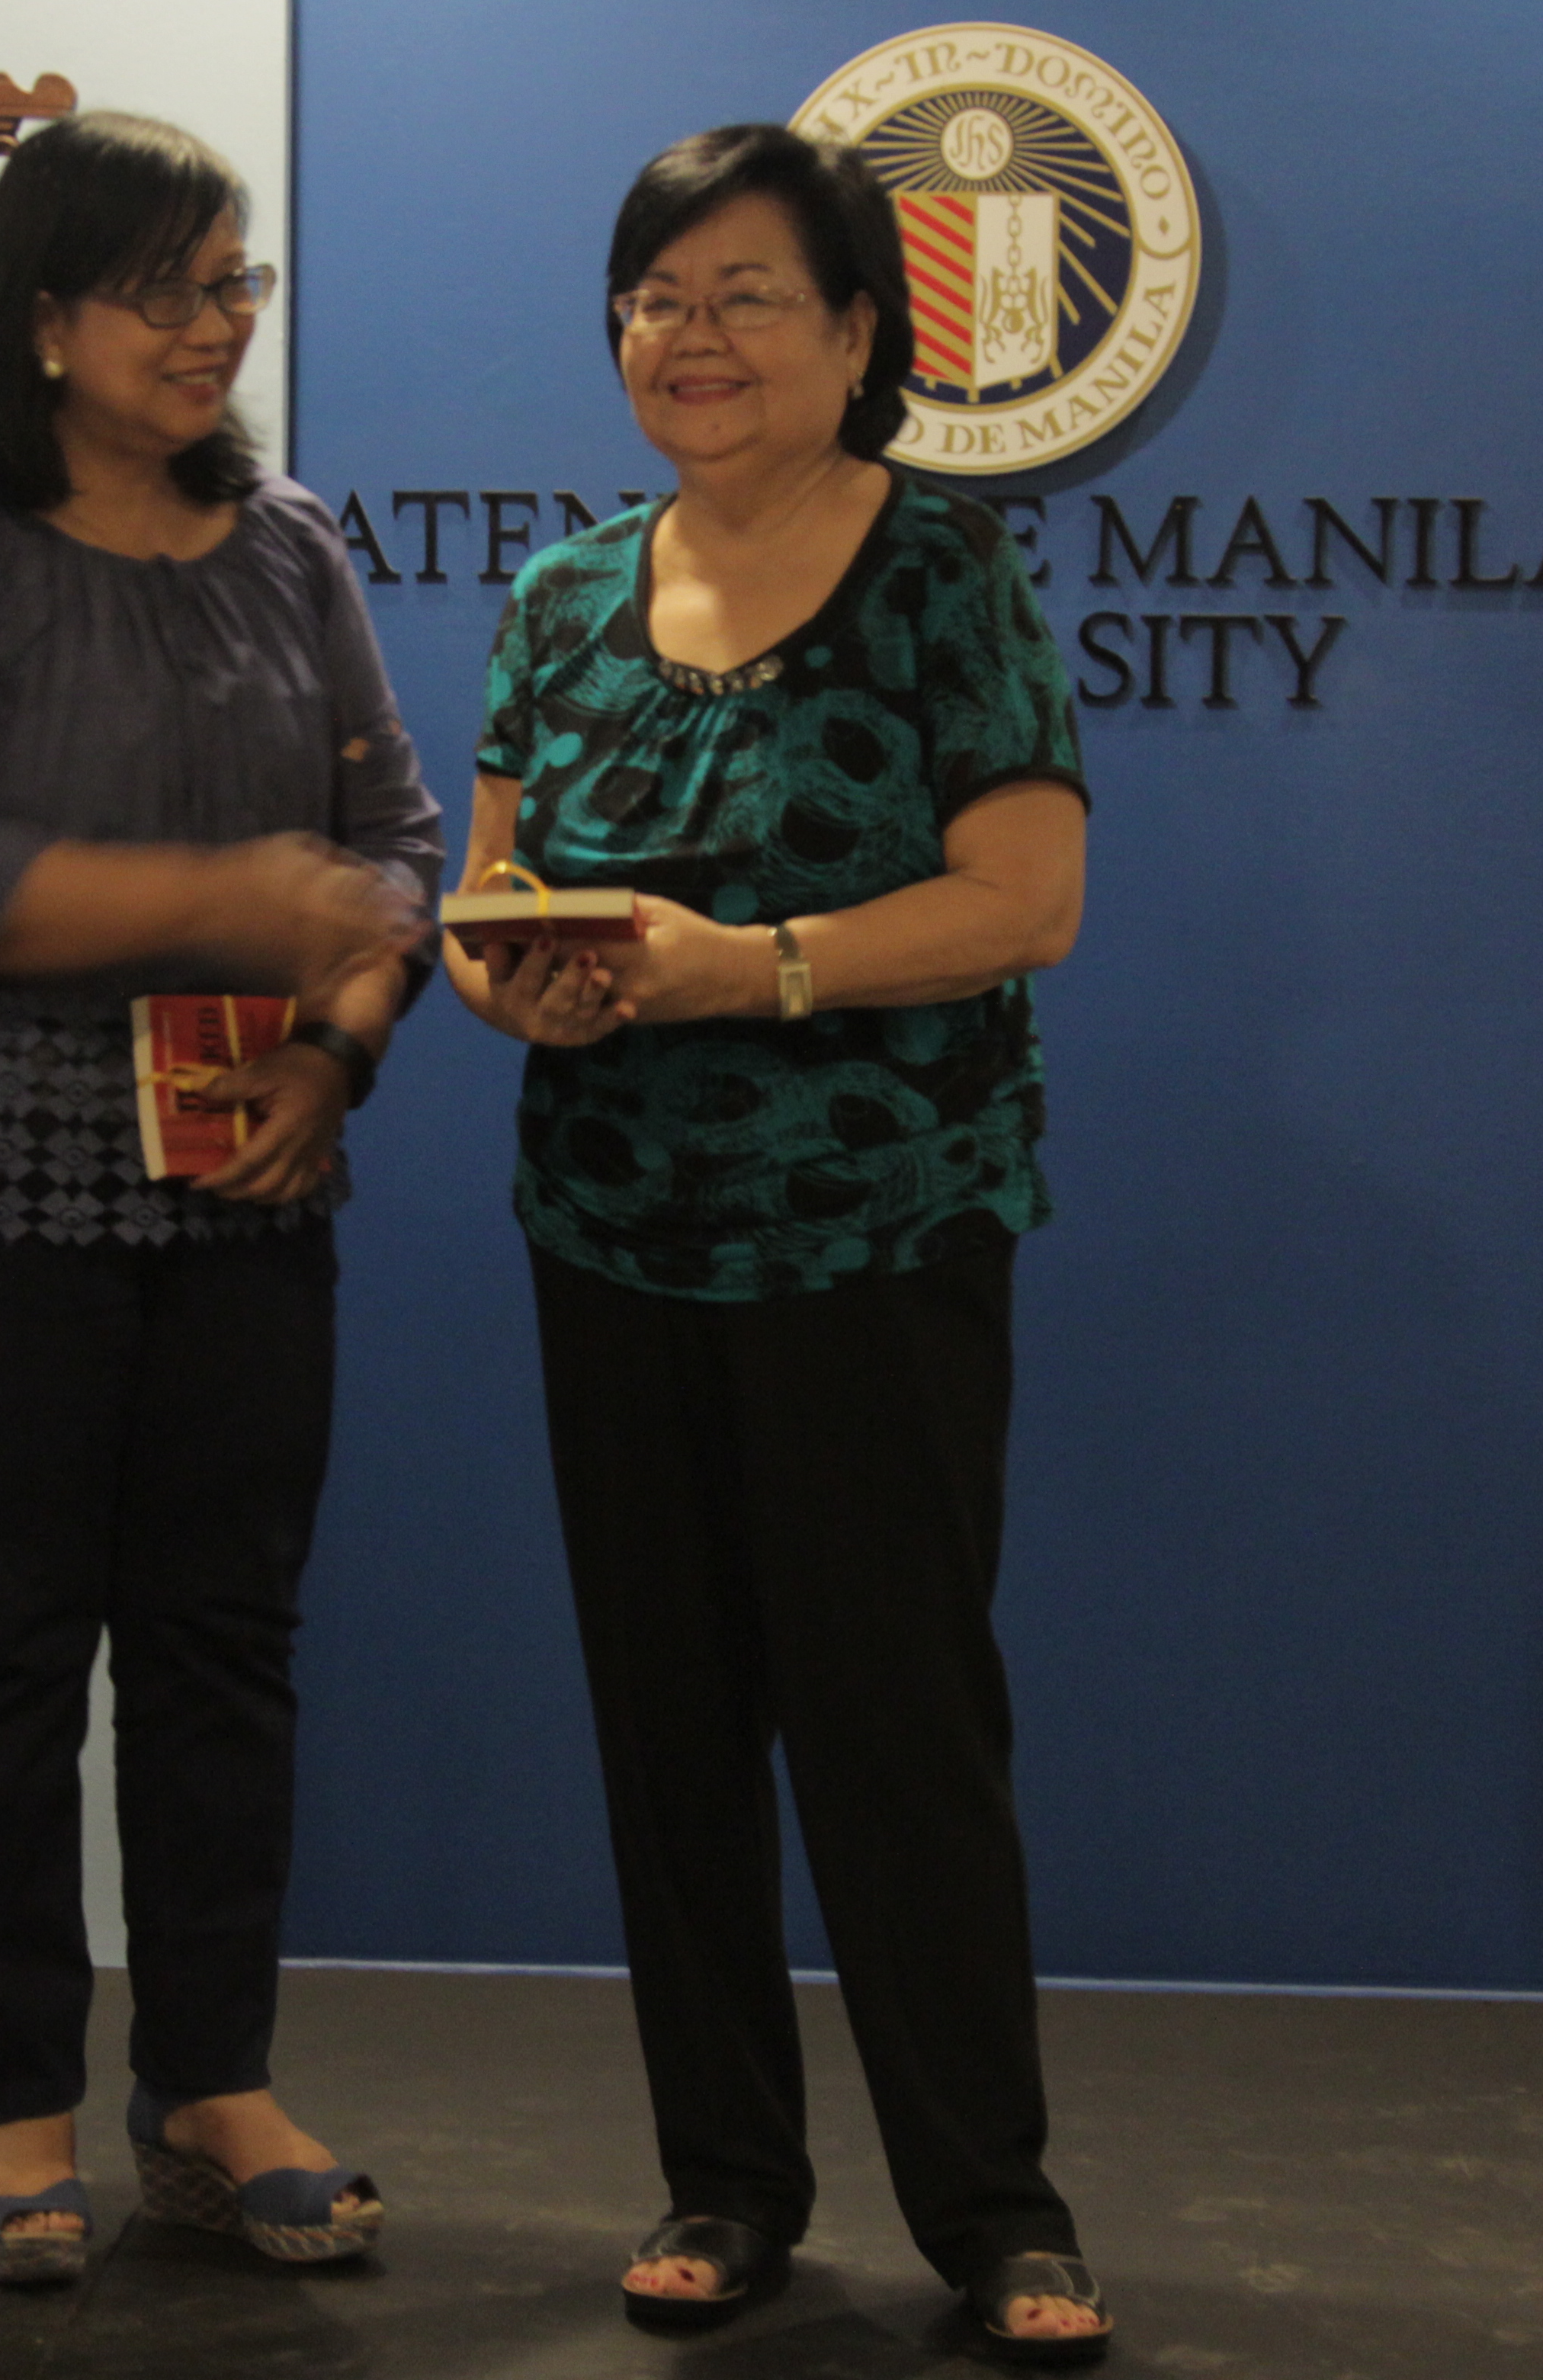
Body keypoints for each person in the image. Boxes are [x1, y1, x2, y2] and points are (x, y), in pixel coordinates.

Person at [445, 123, 1109, 2366]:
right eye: (655, 296)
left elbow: (1028, 903)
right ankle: (724, 2182)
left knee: (899, 1726)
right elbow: (490, 901)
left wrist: (752, 968)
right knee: (669, 1728)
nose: (691, 335)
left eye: (744, 294)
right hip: (613, 1236)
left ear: (854, 333)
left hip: (880, 1237)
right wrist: (510, 973)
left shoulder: (946, 573)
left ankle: (997, 2208)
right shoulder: (558, 599)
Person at [0, 109, 441, 2286]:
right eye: (167, 288)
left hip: (244, 1183)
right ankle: (10, 2105)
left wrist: (338, 1038)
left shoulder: (292, 544)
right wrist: (230, 900)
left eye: (235, 282)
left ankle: (209, 2084)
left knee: (222, 1654)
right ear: (46, 315)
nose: (212, 325)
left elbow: (403, 846)